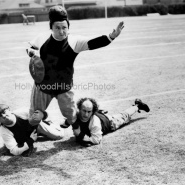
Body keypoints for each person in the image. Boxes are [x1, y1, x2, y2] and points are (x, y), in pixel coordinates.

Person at [26, 5, 124, 133]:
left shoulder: (74, 41)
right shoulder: (42, 38)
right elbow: (30, 47)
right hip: (43, 86)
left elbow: (93, 42)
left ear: (68, 27)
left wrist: (111, 36)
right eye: (57, 28)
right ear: (51, 28)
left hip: (64, 87)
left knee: (72, 116)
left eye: (64, 28)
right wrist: (32, 53)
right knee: (34, 117)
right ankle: (35, 129)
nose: (62, 31)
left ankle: (75, 129)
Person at [73, 98, 150, 147]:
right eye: (84, 111)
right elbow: (66, 120)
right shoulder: (76, 114)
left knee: (124, 115)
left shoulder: (94, 123)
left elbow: (96, 140)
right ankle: (101, 112)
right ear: (79, 108)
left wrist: (80, 135)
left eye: (89, 111)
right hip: (101, 117)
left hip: (111, 123)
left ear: (93, 111)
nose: (86, 114)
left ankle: (137, 106)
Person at [0, 104, 64, 156]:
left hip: (37, 128)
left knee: (60, 135)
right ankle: (34, 138)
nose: (4, 116)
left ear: (9, 110)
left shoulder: (22, 112)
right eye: (0, 116)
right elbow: (15, 151)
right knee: (20, 146)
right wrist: (30, 141)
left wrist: (42, 116)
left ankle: (50, 124)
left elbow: (43, 114)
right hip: (23, 138)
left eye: (4, 112)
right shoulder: (4, 130)